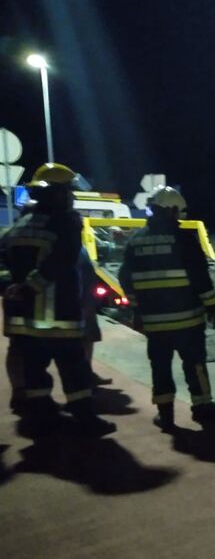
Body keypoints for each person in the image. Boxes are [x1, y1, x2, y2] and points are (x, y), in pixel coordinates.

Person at [1, 163, 115, 435]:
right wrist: (30, 286)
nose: (72, 197)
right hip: (60, 316)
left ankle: (41, 418)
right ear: (57, 194)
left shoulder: (19, 226)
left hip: (24, 320)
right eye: (68, 192)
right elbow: (61, 263)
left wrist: (11, 287)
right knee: (75, 370)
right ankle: (85, 419)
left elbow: (4, 266)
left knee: (34, 370)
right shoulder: (66, 224)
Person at [118, 186, 215, 431]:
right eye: (178, 212)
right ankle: (202, 407)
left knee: (160, 367)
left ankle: (166, 415)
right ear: (170, 210)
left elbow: (126, 279)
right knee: (195, 364)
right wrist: (213, 305)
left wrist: (137, 310)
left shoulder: (135, 241)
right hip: (187, 320)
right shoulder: (184, 239)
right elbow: (200, 277)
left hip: (154, 323)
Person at [78, 246, 111, 387]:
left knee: (88, 338)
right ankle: (82, 378)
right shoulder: (68, 244)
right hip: (77, 302)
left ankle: (86, 373)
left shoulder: (80, 248)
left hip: (85, 301)